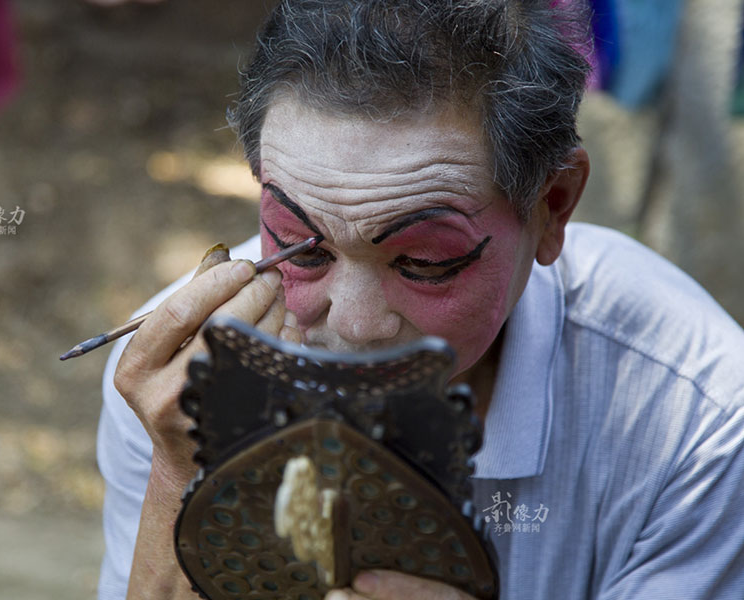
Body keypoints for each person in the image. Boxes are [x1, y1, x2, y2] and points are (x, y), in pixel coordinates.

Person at [96, 1, 744, 598]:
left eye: (423, 261)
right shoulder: (177, 392)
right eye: (301, 246)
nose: (352, 326)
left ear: (552, 207)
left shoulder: (696, 417)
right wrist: (183, 482)